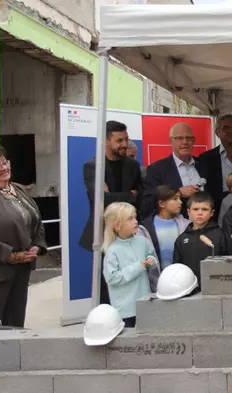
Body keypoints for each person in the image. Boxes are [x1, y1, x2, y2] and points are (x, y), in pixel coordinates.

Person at [0, 147, 47, 327]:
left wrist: (37, 246)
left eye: (5, 162)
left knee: (16, 326)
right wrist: (11, 255)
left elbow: (36, 220)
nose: (4, 167)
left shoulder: (18, 189)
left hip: (21, 271)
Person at [80, 120, 142, 305]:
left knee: (131, 276)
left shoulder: (132, 165)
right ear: (106, 141)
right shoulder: (93, 166)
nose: (124, 144)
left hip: (130, 232)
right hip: (103, 232)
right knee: (106, 281)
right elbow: (100, 200)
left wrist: (114, 195)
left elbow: (141, 196)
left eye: (126, 139)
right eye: (119, 140)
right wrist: (128, 195)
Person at [102, 202, 157, 328]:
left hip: (145, 304)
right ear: (117, 225)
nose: (136, 221)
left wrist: (151, 260)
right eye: (130, 219)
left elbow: (152, 256)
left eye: (135, 217)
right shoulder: (112, 250)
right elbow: (112, 278)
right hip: (125, 309)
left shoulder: (142, 241)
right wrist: (139, 266)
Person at [141, 123, 206, 219]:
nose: (185, 142)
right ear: (170, 141)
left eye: (188, 138)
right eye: (179, 138)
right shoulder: (157, 169)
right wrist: (178, 192)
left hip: (205, 227)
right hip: (175, 228)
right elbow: (147, 203)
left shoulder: (204, 165)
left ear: (193, 141)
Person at [174, 192, 232, 289]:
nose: (200, 213)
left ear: (212, 213)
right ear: (188, 212)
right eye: (196, 209)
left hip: (216, 286)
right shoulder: (181, 239)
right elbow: (177, 266)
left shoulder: (220, 235)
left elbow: (229, 262)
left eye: (205, 209)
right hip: (189, 288)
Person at [137, 185, 191, 271]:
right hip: (157, 282)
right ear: (162, 204)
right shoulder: (145, 228)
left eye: (180, 198)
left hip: (182, 278)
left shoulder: (187, 225)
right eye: (175, 199)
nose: (180, 202)